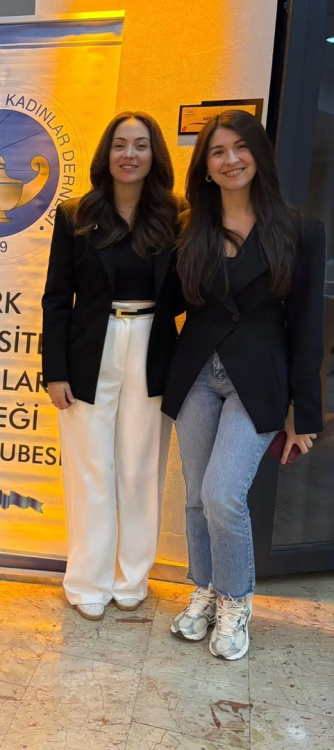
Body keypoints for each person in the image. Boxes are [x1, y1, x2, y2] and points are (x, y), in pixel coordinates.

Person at [163, 110, 325, 660]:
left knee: (222, 493)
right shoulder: (190, 226)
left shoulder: (299, 230)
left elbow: (306, 326)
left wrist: (304, 413)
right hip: (196, 374)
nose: (230, 159)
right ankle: (205, 589)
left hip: (257, 381)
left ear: (258, 154)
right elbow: (168, 305)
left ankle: (236, 600)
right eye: (217, 151)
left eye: (240, 147)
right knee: (195, 497)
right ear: (205, 166)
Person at [42, 112, 180, 621]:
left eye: (140, 145)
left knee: (140, 467)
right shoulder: (75, 215)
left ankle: (131, 577)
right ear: (107, 153)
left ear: (154, 154)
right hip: (89, 350)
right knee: (90, 469)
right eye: (121, 144)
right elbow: (57, 297)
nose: (130, 154)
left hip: (151, 346)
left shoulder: (176, 216)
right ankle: (87, 581)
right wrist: (55, 370)